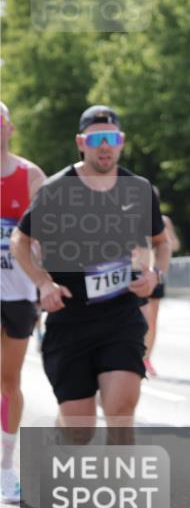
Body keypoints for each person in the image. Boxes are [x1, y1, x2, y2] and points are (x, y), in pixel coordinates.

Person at [10, 105, 169, 445]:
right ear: (81, 142)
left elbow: (161, 242)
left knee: (121, 411)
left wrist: (157, 273)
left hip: (121, 317)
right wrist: (42, 282)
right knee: (79, 431)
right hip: (70, 321)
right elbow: (19, 240)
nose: (104, 146)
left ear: (121, 142)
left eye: (111, 138)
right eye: (96, 139)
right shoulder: (55, 190)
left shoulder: (139, 190)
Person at [0, 101, 46, 503]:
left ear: (9, 128)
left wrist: (45, 280)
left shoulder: (30, 176)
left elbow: (49, 235)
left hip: (18, 294)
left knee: (9, 382)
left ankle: (6, 467)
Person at [139, 189, 181, 377]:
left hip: (156, 273)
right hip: (138, 274)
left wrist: (165, 241)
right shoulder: (132, 216)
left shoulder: (163, 222)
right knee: (139, 318)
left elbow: (174, 245)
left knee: (152, 320)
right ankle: (136, 354)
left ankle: (147, 357)